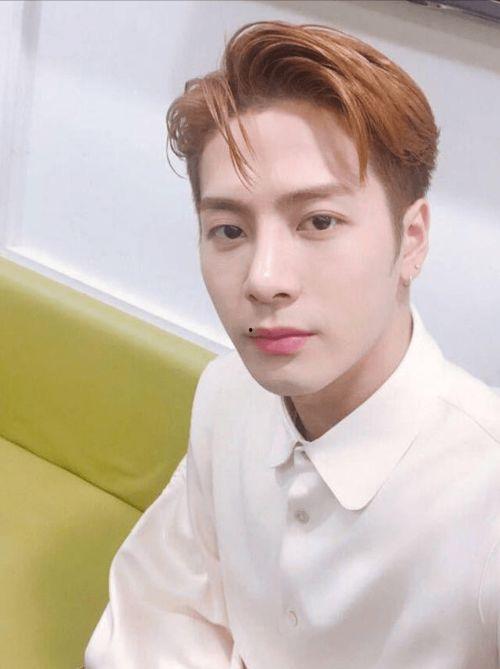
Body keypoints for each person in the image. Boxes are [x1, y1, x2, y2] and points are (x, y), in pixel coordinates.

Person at [84, 19, 500, 668]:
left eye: (319, 221)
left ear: (411, 240)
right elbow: (161, 606)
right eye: (228, 230)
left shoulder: (485, 499)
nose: (263, 279)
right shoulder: (227, 393)